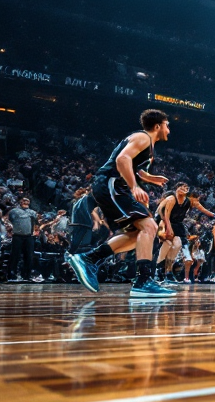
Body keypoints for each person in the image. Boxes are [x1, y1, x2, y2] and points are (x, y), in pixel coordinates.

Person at [65, 109, 174, 298]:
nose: (169, 130)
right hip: (112, 184)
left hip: (112, 186)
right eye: (167, 125)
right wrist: (134, 187)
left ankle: (90, 258)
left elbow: (135, 167)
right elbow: (122, 159)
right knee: (149, 227)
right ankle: (143, 281)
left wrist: (150, 178)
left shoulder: (147, 145)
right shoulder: (143, 138)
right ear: (158, 126)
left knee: (136, 234)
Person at [155, 183, 214, 283]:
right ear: (176, 189)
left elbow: (200, 207)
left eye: (186, 187)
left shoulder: (188, 201)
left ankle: (168, 272)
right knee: (167, 244)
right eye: (182, 187)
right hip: (162, 222)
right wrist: (168, 229)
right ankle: (158, 271)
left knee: (177, 245)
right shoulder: (171, 199)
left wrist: (212, 214)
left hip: (176, 224)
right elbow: (165, 216)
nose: (184, 189)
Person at [6, 196, 40, 282]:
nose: (26, 202)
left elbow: (36, 223)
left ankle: (26, 275)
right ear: (20, 202)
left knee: (29, 256)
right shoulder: (14, 211)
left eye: (27, 201)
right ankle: (11, 274)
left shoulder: (32, 212)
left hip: (29, 236)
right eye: (24, 201)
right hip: (17, 235)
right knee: (15, 255)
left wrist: (36, 231)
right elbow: (9, 220)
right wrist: (10, 230)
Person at [67, 187, 103, 254]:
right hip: (85, 225)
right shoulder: (87, 198)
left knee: (75, 245)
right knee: (82, 246)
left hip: (77, 225)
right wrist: (95, 222)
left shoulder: (77, 201)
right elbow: (90, 211)